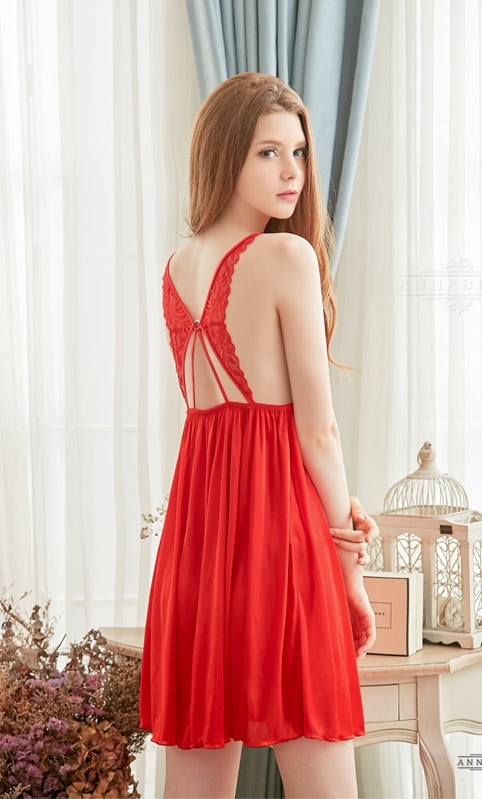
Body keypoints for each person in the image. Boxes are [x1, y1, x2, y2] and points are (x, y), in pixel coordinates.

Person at [139, 72, 378, 799]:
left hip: (197, 547)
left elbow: (216, 424)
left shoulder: (177, 269)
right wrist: (351, 564)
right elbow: (318, 432)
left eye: (298, 153)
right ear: (225, 156)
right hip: (282, 540)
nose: (291, 172)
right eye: (267, 153)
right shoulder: (286, 258)